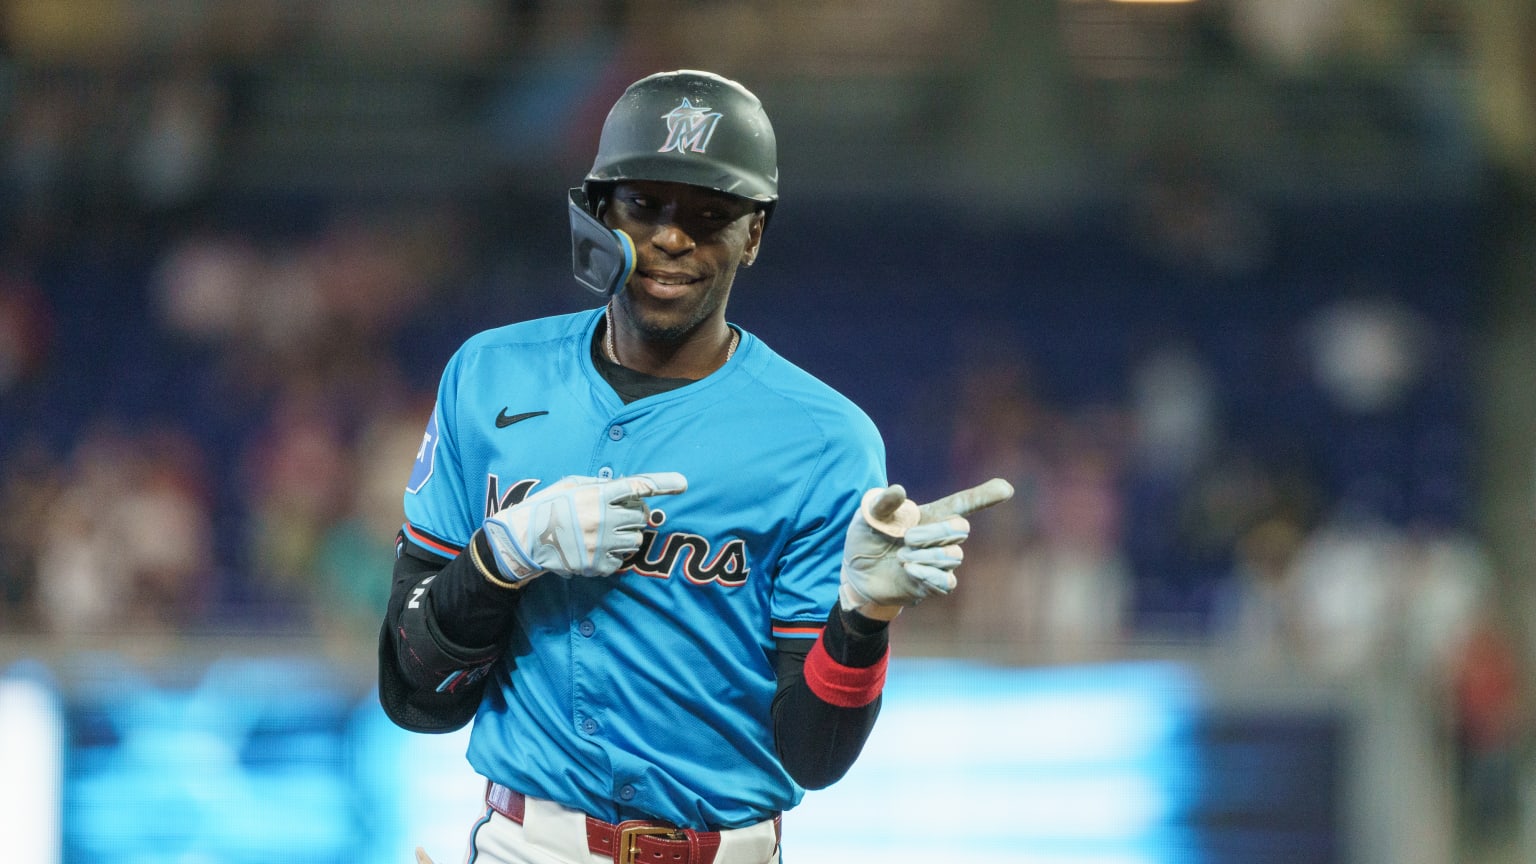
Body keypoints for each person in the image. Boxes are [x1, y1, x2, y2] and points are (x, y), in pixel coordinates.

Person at [379, 69, 1013, 864]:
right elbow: (413, 695)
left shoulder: (825, 439)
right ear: (599, 211)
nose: (672, 238)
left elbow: (815, 757)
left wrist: (860, 621)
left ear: (754, 234)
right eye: (645, 206)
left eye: (711, 216)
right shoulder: (489, 375)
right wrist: (500, 557)